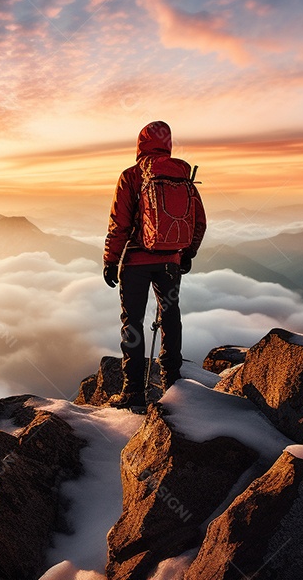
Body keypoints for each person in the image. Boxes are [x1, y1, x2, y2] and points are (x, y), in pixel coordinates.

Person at [102, 120, 206, 410]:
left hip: (135, 262)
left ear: (140, 144)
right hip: (171, 262)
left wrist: (111, 260)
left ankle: (133, 391)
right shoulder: (181, 177)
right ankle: (173, 382)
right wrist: (187, 253)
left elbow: (119, 224)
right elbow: (199, 221)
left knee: (132, 324)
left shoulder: (131, 176)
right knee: (170, 317)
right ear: (168, 144)